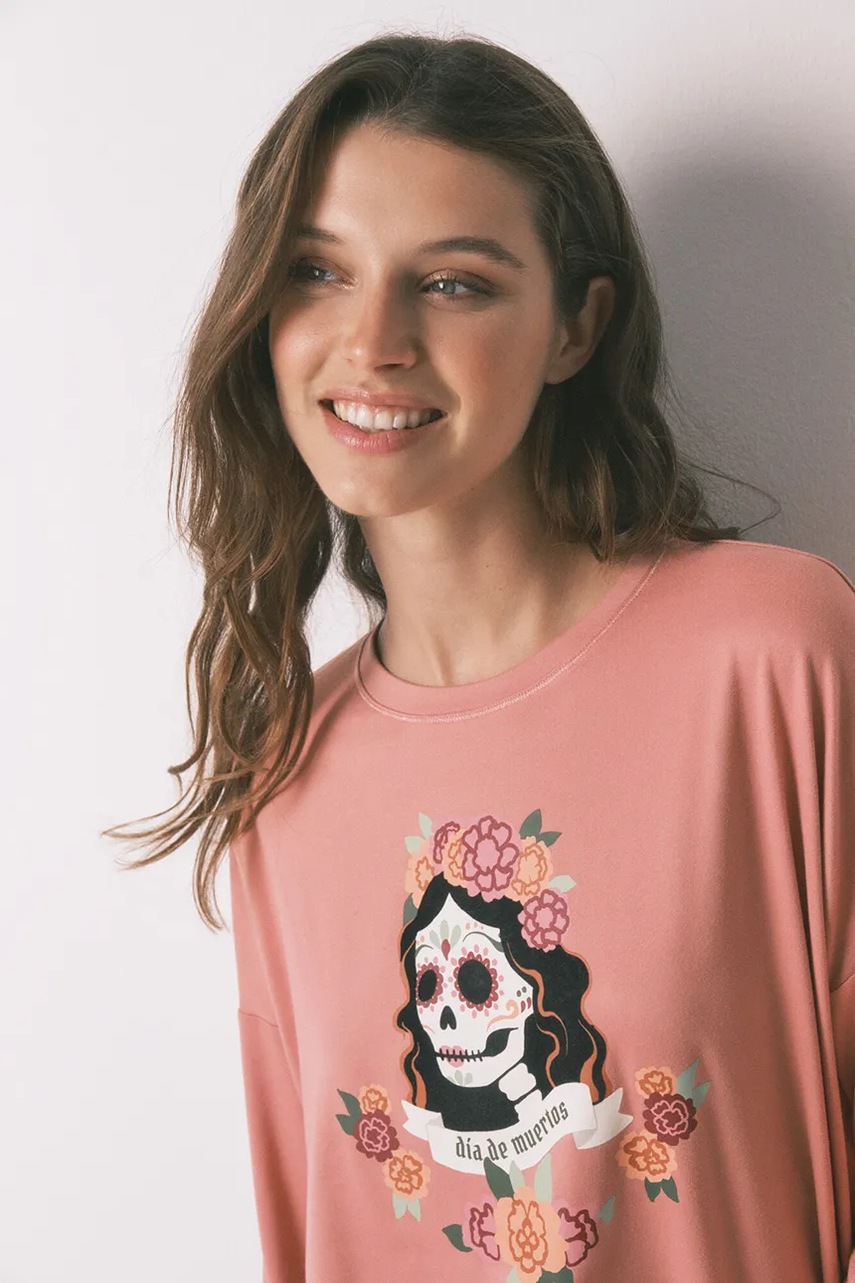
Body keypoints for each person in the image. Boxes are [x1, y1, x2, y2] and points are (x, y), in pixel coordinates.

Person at [109, 30, 855, 1283]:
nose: (373, 341)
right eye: (315, 270)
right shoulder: (282, 779)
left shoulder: (775, 658)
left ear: (576, 326)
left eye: (453, 282)